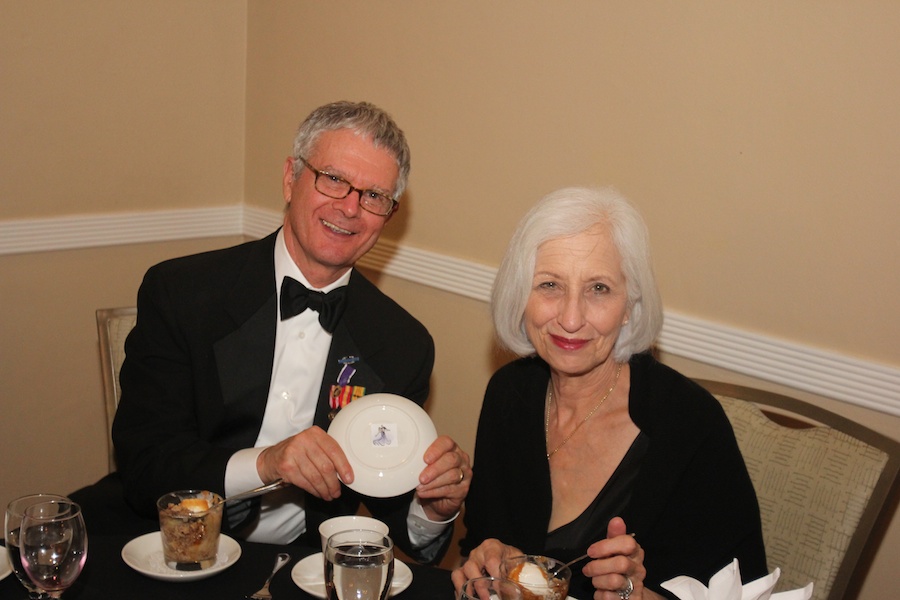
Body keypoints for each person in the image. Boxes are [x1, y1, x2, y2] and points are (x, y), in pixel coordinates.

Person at [94, 101, 469, 563]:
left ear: (388, 214)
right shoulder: (182, 293)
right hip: (165, 548)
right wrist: (266, 463)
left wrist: (432, 509)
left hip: (300, 569)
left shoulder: (403, 343)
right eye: (333, 179)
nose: (349, 208)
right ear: (291, 177)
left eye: (374, 196)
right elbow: (145, 464)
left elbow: (390, 512)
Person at [452, 187, 766, 598]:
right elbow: (481, 542)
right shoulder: (510, 394)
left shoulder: (689, 423)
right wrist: (485, 559)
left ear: (630, 304)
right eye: (549, 284)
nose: (570, 317)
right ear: (520, 295)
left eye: (598, 288)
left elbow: (745, 590)